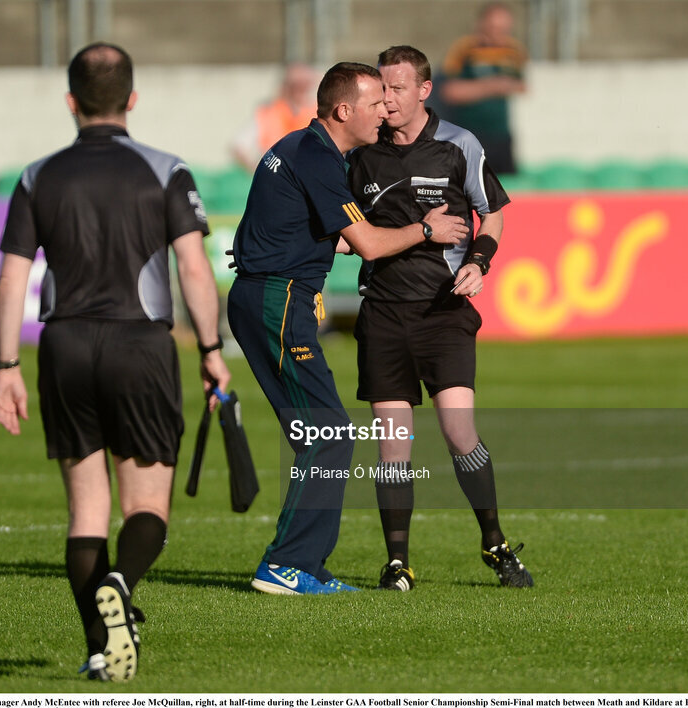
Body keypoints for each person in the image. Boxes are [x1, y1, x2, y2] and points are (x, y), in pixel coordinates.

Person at [0, 42, 230, 681]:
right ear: (132, 98)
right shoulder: (165, 168)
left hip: (64, 344)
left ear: (70, 101)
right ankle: (122, 583)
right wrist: (211, 350)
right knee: (147, 502)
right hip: (140, 344)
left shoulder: (37, 175)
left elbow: (12, 278)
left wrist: (6, 366)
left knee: (87, 511)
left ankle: (102, 651)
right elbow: (193, 269)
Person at [227, 61, 469, 595]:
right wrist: (426, 229)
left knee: (320, 434)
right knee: (330, 434)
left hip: (267, 294)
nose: (385, 110)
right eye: (374, 102)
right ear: (344, 111)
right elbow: (369, 245)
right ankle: (287, 565)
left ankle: (303, 563)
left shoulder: (303, 147)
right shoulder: (317, 156)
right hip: (278, 299)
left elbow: (322, 234)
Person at [347, 45, 532, 592]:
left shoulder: (458, 145)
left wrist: (479, 261)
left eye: (397, 89)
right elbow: (342, 228)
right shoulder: (360, 153)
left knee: (458, 431)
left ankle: (495, 544)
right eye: (381, 89)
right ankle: (397, 562)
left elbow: (493, 213)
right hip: (382, 315)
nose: (387, 99)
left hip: (444, 313)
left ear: (424, 90)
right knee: (392, 444)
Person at [439, 2, 527, 175]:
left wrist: (507, 86)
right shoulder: (464, 49)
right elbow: (450, 92)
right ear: (481, 25)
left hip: (501, 136)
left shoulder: (514, 50)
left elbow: (522, 86)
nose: (498, 35)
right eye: (493, 28)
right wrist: (490, 86)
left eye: (504, 30)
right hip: (470, 135)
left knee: (506, 188)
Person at [230, 63, 319, 171]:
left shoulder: (319, 113)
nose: (301, 90)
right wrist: (257, 171)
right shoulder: (269, 112)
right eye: (295, 85)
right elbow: (239, 146)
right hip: (276, 178)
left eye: (304, 85)